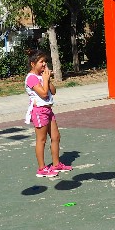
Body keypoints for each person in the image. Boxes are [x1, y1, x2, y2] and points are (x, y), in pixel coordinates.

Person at [25, 50, 72, 179]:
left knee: (56, 136)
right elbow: (44, 93)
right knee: (41, 140)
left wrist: (48, 79)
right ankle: (42, 168)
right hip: (39, 111)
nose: (44, 64)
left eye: (45, 61)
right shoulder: (31, 78)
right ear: (33, 64)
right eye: (41, 62)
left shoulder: (42, 76)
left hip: (48, 110)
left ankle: (56, 164)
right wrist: (45, 79)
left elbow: (53, 91)